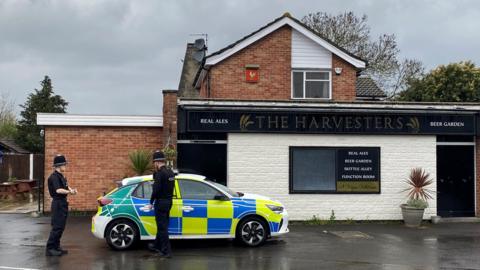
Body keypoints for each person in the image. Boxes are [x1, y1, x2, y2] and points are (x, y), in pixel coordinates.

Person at [45, 154, 77, 256]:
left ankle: (56, 247)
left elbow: (66, 186)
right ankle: (50, 248)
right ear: (59, 165)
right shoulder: (54, 177)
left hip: (63, 203)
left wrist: (72, 190)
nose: (65, 166)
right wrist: (69, 192)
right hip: (58, 203)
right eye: (64, 165)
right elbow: (58, 190)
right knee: (57, 227)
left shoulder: (61, 176)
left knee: (61, 227)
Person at [147, 150, 175, 258]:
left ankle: (166, 251)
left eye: (154, 163)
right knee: (162, 225)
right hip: (169, 202)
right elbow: (168, 187)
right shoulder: (170, 172)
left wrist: (151, 202)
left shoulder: (160, 174)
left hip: (161, 203)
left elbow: (156, 190)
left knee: (162, 228)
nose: (154, 165)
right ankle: (156, 245)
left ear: (157, 162)